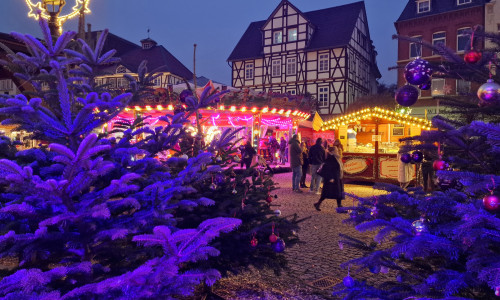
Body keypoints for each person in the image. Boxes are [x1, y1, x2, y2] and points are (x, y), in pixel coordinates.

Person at [314, 146, 344, 211]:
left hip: (337, 177)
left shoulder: (336, 158)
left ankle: (339, 206)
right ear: (332, 152)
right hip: (332, 178)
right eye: (336, 150)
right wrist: (330, 177)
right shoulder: (330, 158)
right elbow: (327, 169)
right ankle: (318, 203)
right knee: (327, 192)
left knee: (338, 192)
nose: (337, 151)